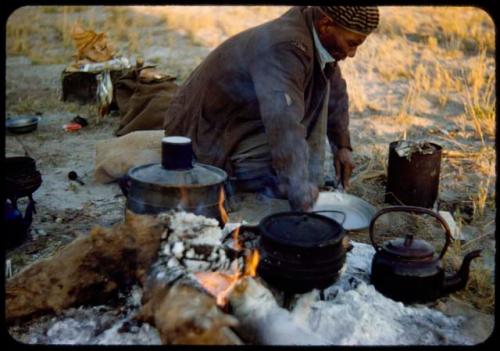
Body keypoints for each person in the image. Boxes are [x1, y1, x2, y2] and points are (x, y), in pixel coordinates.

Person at [163, 6, 379, 211]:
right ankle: (234, 177)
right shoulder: (286, 47)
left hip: (239, 118)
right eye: (351, 43)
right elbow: (283, 121)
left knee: (315, 106)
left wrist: (343, 146)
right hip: (205, 132)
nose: (352, 54)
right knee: (284, 161)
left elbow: (334, 88)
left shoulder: (313, 30)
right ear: (326, 24)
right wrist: (297, 185)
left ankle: (294, 179)